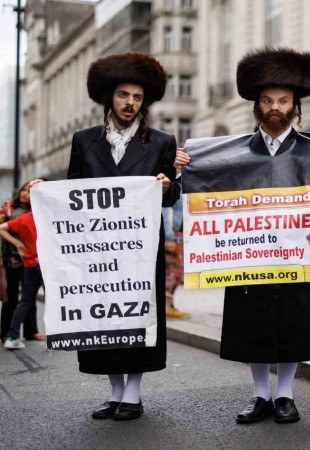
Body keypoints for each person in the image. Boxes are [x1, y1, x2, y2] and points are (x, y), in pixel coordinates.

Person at [176, 47, 310, 424]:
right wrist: (185, 168)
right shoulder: (230, 153)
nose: (275, 107)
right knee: (253, 325)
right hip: (248, 257)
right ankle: (260, 394)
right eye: (267, 101)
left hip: (298, 256)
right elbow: (202, 188)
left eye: (283, 101)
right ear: (257, 106)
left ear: (295, 106)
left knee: (293, 325)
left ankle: (285, 395)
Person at [67, 51, 179, 420]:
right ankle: (115, 391)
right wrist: (40, 192)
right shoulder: (83, 140)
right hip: (97, 247)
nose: (130, 103)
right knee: (103, 317)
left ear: (144, 103)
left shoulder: (162, 141)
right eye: (123, 95)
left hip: (141, 247)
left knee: (138, 314)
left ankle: (133, 392)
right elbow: (71, 192)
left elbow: (174, 192)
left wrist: (168, 185)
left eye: (137, 97)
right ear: (109, 98)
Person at [0, 181, 44, 343]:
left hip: (30, 257)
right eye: (24, 190)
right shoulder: (9, 209)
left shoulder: (37, 210)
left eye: (29, 191)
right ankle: (6, 332)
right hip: (13, 257)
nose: (26, 193)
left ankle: (30, 331)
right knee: (12, 297)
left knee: (28, 296)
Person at [163, 200, 190, 319]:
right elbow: (164, 207)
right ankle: (166, 307)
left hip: (178, 233)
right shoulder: (173, 188)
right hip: (173, 235)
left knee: (176, 272)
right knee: (171, 272)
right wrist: (168, 236)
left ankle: (169, 305)